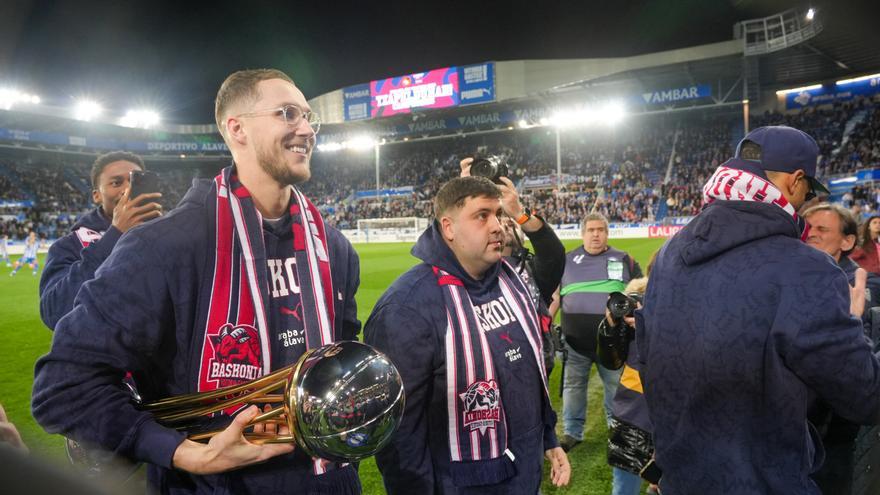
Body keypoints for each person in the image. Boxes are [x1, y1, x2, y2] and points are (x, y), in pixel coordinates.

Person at [32, 68, 362, 495]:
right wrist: (185, 453)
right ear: (236, 129)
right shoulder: (162, 247)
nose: (306, 129)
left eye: (308, 116)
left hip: (330, 481)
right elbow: (63, 384)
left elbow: (339, 360)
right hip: (213, 486)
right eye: (287, 113)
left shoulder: (335, 249)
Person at [638, 125, 880, 494]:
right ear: (795, 181)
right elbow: (865, 395)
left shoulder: (671, 251)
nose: (806, 203)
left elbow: (648, 358)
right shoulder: (807, 269)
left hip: (682, 476)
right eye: (809, 192)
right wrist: (854, 324)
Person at [364, 176, 570, 494]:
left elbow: (527, 380)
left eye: (498, 214)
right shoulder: (407, 308)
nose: (498, 226)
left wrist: (547, 437)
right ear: (448, 228)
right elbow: (399, 437)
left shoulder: (513, 282)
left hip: (526, 477)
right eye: (481, 216)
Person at [460, 157, 566, 377]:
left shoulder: (533, 272)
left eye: (511, 222)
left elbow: (554, 254)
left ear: (522, 235)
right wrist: (462, 195)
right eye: (499, 219)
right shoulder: (469, 270)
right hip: (484, 372)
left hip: (530, 371)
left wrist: (519, 213)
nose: (505, 224)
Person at [39, 151, 162, 329]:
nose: (127, 189)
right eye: (116, 183)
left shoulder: (168, 236)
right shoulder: (69, 245)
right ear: (97, 195)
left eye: (135, 181)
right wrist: (115, 235)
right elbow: (54, 311)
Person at [551, 212, 642, 452]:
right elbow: (555, 296)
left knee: (616, 388)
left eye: (600, 230)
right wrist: (544, 323)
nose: (595, 235)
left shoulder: (625, 259)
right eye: (591, 230)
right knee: (573, 387)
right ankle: (572, 432)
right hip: (574, 343)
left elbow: (640, 292)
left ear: (607, 233)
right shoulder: (567, 260)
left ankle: (617, 429)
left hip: (613, 344)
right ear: (582, 234)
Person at [597, 252, 660, 495]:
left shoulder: (691, 307)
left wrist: (651, 324)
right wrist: (611, 326)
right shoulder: (635, 302)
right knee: (624, 487)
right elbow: (611, 361)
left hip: (675, 417)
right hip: (633, 414)